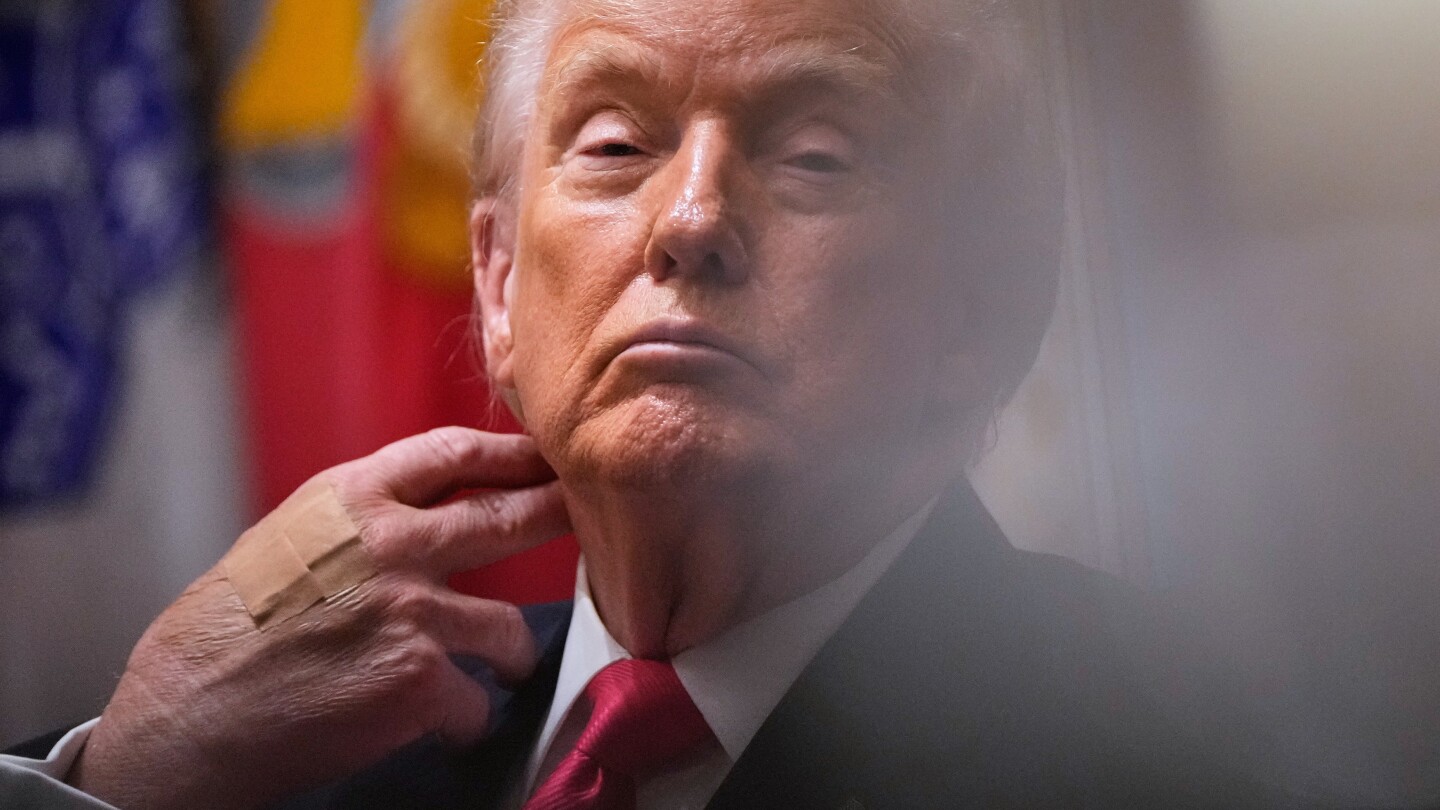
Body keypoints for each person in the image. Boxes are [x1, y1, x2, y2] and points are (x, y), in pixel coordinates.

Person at [0, 0, 1355, 807]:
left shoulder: (1182, 760)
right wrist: (125, 771)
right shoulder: (298, 755)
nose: (691, 218)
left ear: (978, 306)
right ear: (496, 284)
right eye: (614, 144)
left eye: (813, 156)